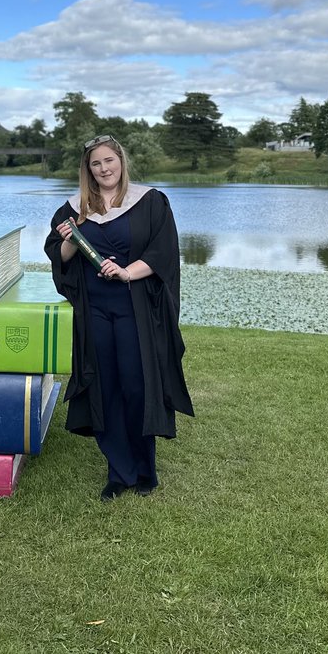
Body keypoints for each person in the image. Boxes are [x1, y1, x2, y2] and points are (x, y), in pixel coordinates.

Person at [44, 134, 193, 502]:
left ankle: (145, 470)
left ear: (121, 162)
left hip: (133, 308)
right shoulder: (75, 208)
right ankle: (119, 471)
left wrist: (127, 272)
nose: (104, 168)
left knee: (137, 386)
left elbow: (164, 252)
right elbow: (59, 258)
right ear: (88, 170)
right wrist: (68, 239)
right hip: (94, 313)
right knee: (104, 386)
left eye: (109, 161)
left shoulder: (150, 201)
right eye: (96, 164)